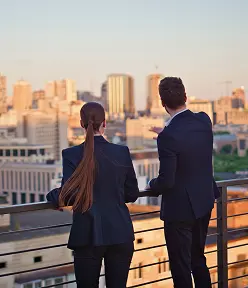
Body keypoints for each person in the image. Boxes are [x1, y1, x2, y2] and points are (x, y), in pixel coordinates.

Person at [46, 102, 139, 288]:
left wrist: (52, 196)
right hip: (119, 232)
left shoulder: (71, 154)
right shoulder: (122, 152)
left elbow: (69, 195)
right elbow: (132, 193)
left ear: (81, 124)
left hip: (87, 235)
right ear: (104, 123)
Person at [146, 77, 220, 288]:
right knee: (198, 260)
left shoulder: (169, 137)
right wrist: (166, 134)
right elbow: (190, 140)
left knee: (180, 268)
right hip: (203, 202)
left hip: (180, 211)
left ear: (162, 103)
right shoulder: (204, 120)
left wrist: (152, 184)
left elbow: (166, 181)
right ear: (185, 96)